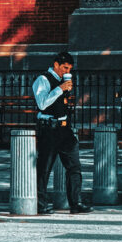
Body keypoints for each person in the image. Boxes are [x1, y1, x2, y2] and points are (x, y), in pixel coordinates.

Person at [31, 54, 89, 213]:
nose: (67, 71)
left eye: (70, 69)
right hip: (49, 128)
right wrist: (59, 89)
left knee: (74, 166)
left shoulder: (63, 81)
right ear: (56, 64)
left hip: (64, 128)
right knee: (44, 168)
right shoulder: (43, 79)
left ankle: (75, 203)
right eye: (65, 68)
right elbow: (42, 104)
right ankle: (41, 204)